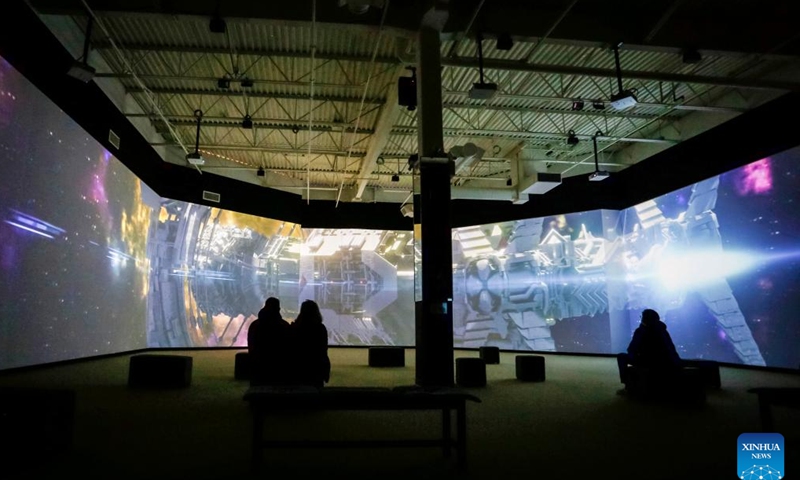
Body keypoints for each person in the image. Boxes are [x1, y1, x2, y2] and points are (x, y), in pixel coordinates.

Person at [617, 309, 681, 387]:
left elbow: (631, 349)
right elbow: (670, 347)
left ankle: (627, 384)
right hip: (662, 361)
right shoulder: (662, 330)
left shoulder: (640, 331)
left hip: (644, 360)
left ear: (644, 319)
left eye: (641, 317)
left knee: (621, 357)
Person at [247, 297, 291, 386]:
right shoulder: (284, 326)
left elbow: (251, 346)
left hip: (258, 366)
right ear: (278, 309)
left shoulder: (254, 325)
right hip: (279, 367)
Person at [291, 300, 330, 389]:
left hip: (299, 368)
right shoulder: (320, 328)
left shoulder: (296, 328)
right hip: (316, 368)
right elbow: (323, 349)